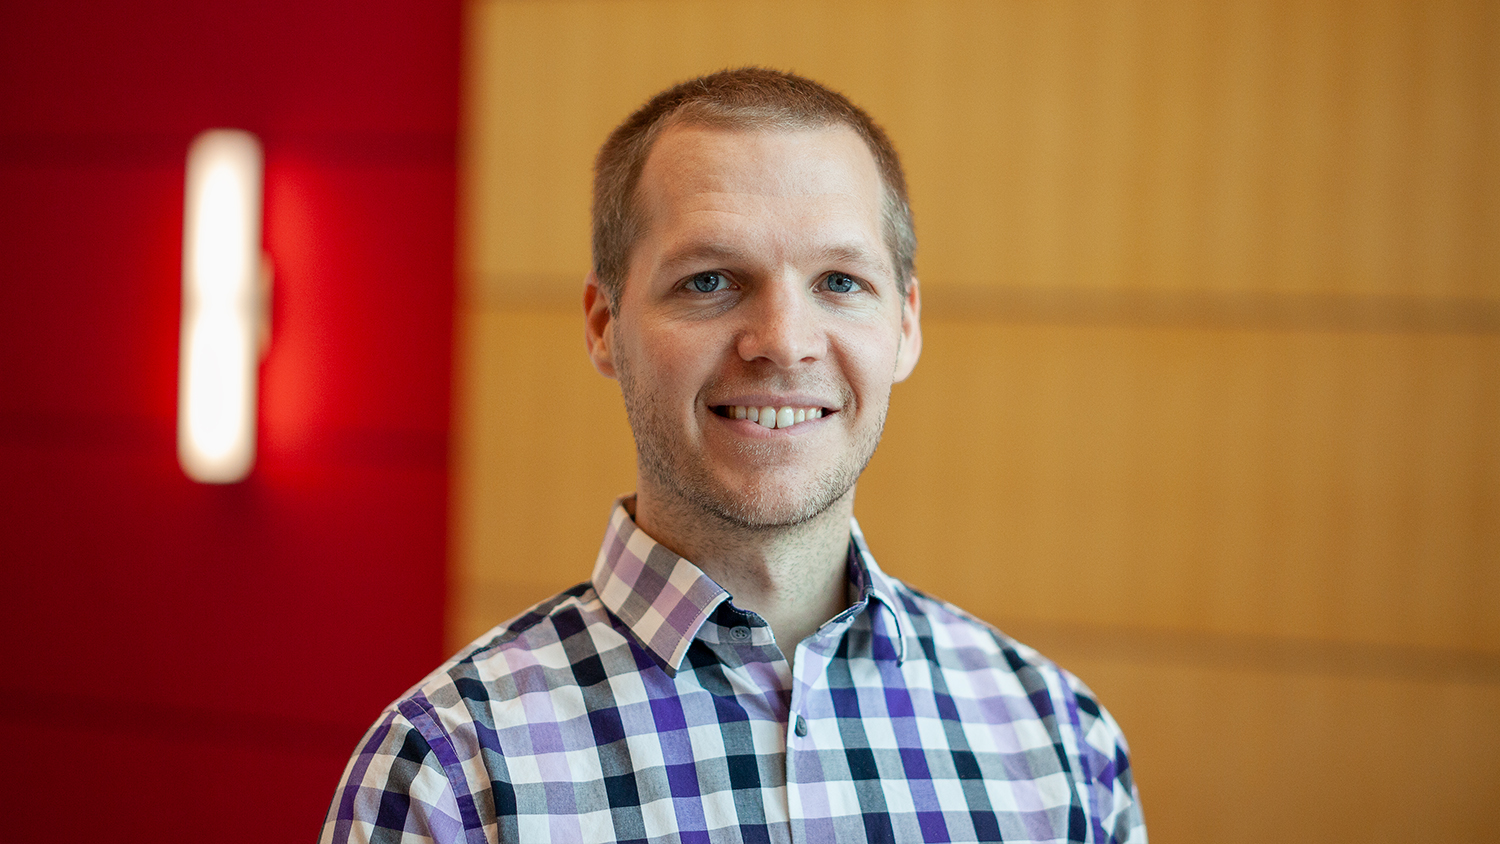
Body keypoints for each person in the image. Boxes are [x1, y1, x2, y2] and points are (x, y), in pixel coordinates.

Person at [322, 67, 1145, 844]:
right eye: (710, 280)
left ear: (907, 323)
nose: (783, 343)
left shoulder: (1062, 745)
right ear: (605, 324)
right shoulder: (450, 778)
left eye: (840, 282)